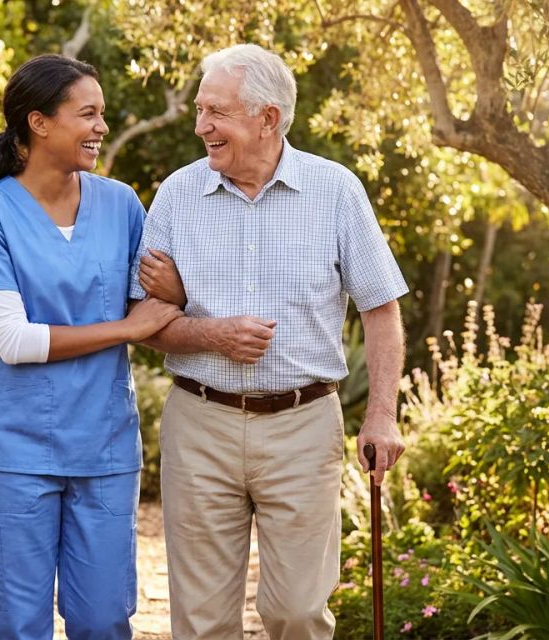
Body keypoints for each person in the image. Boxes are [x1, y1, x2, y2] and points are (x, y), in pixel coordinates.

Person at [130, 44, 409, 639]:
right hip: (199, 420)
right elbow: (142, 316)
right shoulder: (178, 194)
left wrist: (382, 415)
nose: (202, 125)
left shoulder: (335, 191)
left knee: (299, 613)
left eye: (217, 112)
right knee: (202, 621)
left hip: (303, 424)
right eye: (201, 111)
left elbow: (381, 308)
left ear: (267, 118)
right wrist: (213, 334)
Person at [0, 54, 184, 640]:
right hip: (14, 451)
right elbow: (11, 339)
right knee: (17, 624)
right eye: (88, 114)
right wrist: (127, 330)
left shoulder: (122, 204)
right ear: (39, 122)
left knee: (104, 618)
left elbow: (155, 301)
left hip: (104, 446)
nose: (101, 127)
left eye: (102, 114)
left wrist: (173, 296)